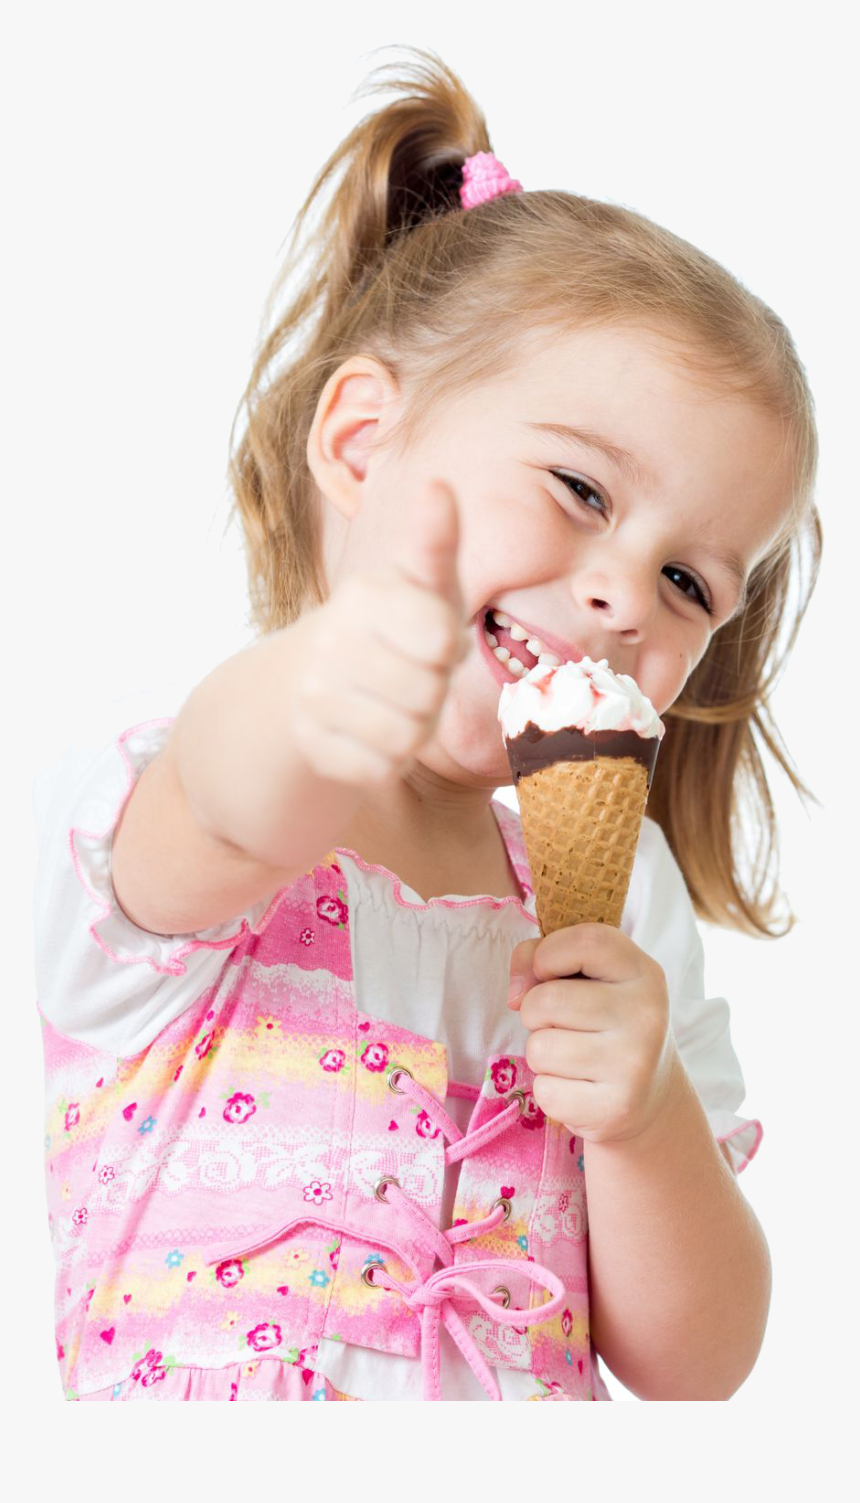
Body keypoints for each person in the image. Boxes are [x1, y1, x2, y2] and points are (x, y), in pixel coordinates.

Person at [32, 45, 822, 1403]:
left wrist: (643, 1125)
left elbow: (702, 1364)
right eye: (579, 486)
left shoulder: (617, 906)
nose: (624, 594)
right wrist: (335, 670)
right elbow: (234, 792)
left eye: (690, 583)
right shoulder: (215, 791)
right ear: (360, 445)